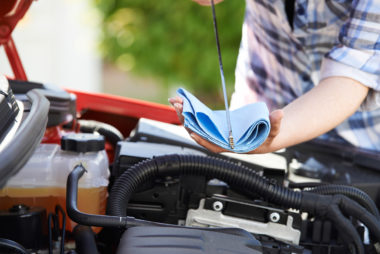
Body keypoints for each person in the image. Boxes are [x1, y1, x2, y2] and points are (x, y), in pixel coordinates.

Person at [169, 0, 380, 154]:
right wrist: (248, 135)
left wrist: (263, 138)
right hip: (254, 114)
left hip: (360, 149)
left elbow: (353, 74)